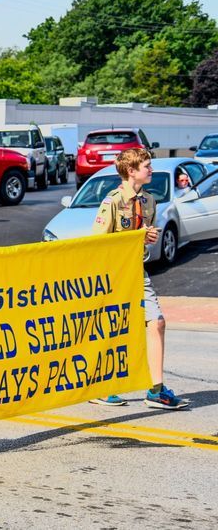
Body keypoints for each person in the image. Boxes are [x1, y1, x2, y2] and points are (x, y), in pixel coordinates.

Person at [90, 148, 188, 410]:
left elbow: (143, 242)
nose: (151, 169)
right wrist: (133, 237)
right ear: (131, 171)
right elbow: (97, 245)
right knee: (111, 329)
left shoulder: (149, 202)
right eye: (147, 166)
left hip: (136, 272)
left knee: (157, 323)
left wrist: (146, 239)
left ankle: (156, 390)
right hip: (111, 276)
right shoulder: (112, 202)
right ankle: (101, 385)